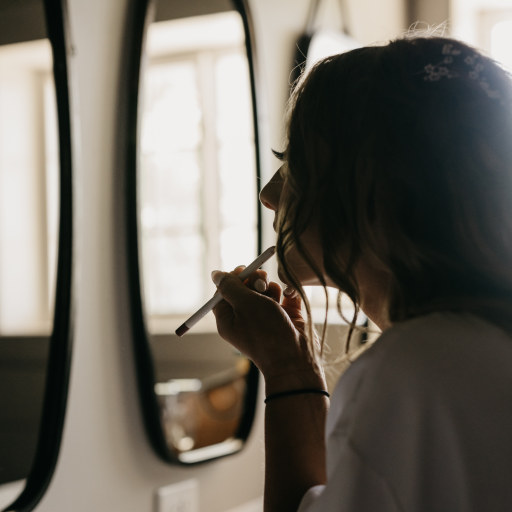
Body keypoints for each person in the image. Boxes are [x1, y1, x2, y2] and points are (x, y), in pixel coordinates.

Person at [211, 35, 512, 512]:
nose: (270, 194)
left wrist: (288, 372)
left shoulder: (415, 375)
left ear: (380, 187)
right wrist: (290, 363)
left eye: (295, 164)